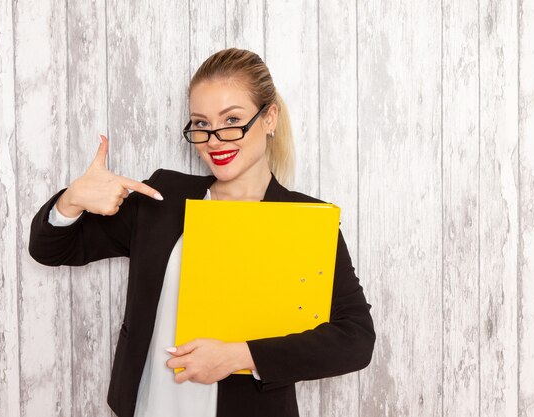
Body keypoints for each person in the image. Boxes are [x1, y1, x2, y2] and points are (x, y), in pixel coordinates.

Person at [29, 47, 375, 417]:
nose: (214, 139)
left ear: (269, 116)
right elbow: (51, 249)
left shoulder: (304, 218)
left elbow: (355, 338)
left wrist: (240, 356)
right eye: (202, 124)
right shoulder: (162, 197)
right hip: (149, 407)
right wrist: (71, 201)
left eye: (232, 120)